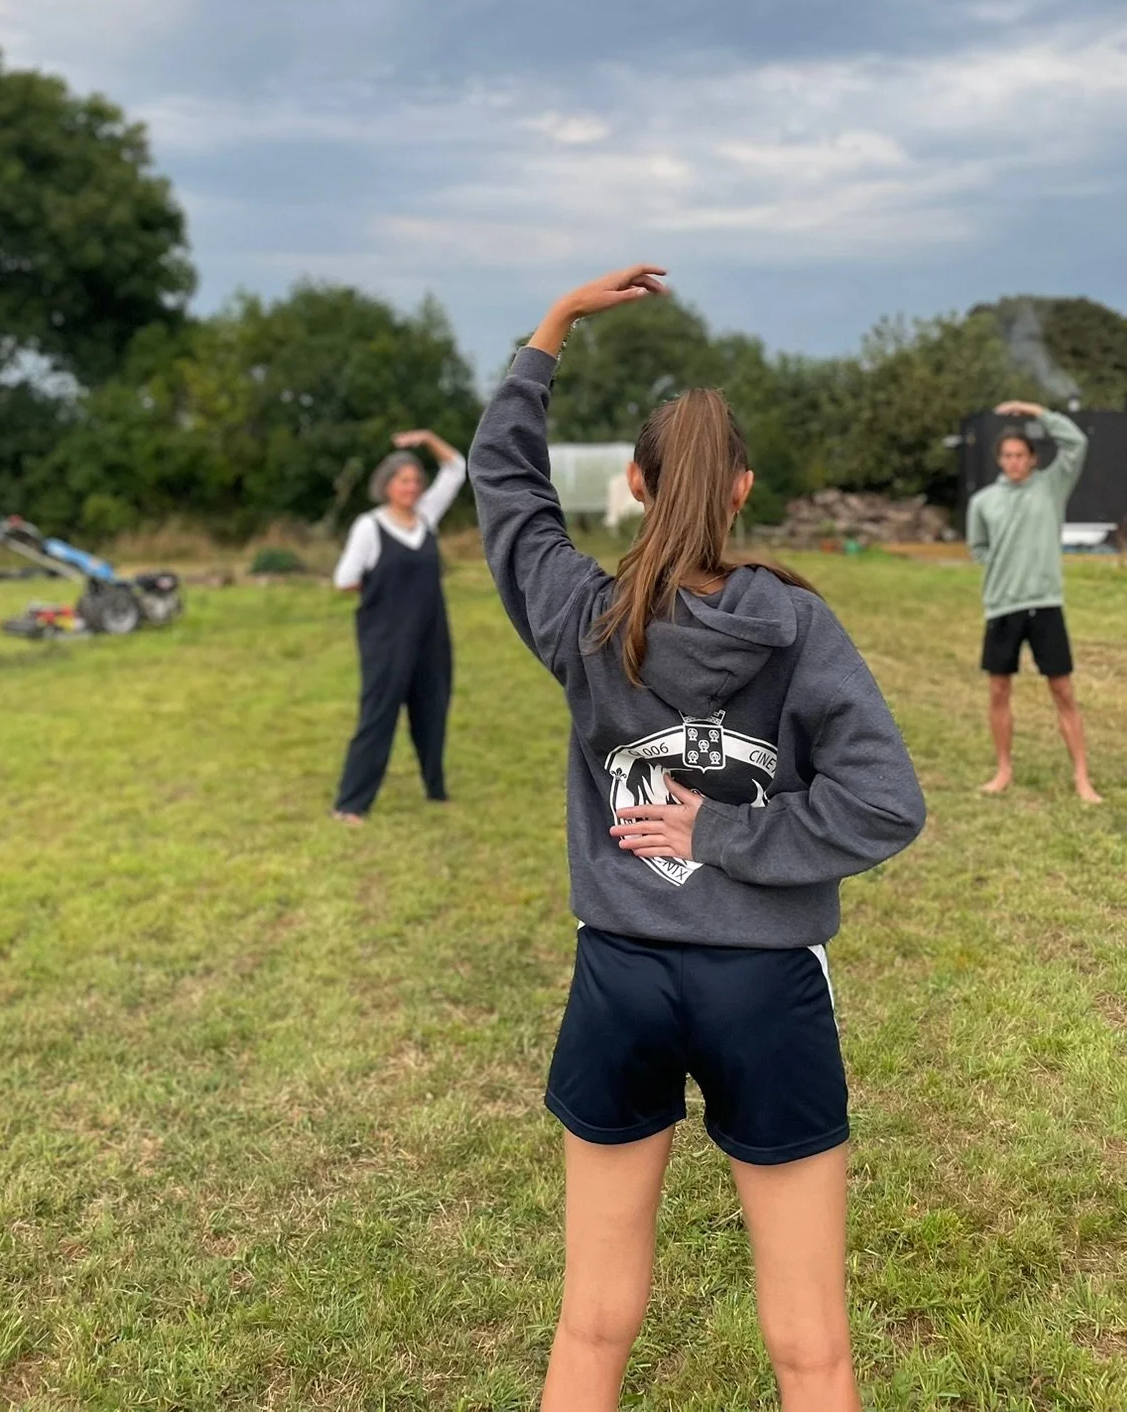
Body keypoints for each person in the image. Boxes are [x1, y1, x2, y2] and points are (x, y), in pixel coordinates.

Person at [469, 265, 926, 1412]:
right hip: (765, 988)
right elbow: (885, 801)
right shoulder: (797, 622)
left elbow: (507, 491)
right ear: (743, 489)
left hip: (619, 977)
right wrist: (734, 835)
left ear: (633, 485)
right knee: (813, 1348)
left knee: (591, 1323)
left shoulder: (585, 615)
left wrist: (553, 330)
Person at [965, 399, 1101, 802]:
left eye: (1020, 455)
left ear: (1033, 459)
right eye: (1006, 456)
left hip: (1045, 606)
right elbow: (978, 548)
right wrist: (1003, 568)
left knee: (1062, 690)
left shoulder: (1052, 485)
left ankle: (1082, 777)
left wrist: (1033, 411)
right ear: (999, 460)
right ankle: (1003, 769)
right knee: (998, 691)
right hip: (1002, 608)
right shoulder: (983, 502)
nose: (1014, 462)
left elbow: (1075, 441)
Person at [331, 429, 465, 822]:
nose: (412, 487)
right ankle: (350, 804)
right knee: (378, 716)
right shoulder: (369, 527)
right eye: (404, 480)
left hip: (430, 635)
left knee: (432, 710)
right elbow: (345, 579)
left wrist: (426, 439)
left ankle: (435, 790)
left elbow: (456, 467)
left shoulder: (426, 517)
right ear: (387, 485)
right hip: (386, 640)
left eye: (416, 481)